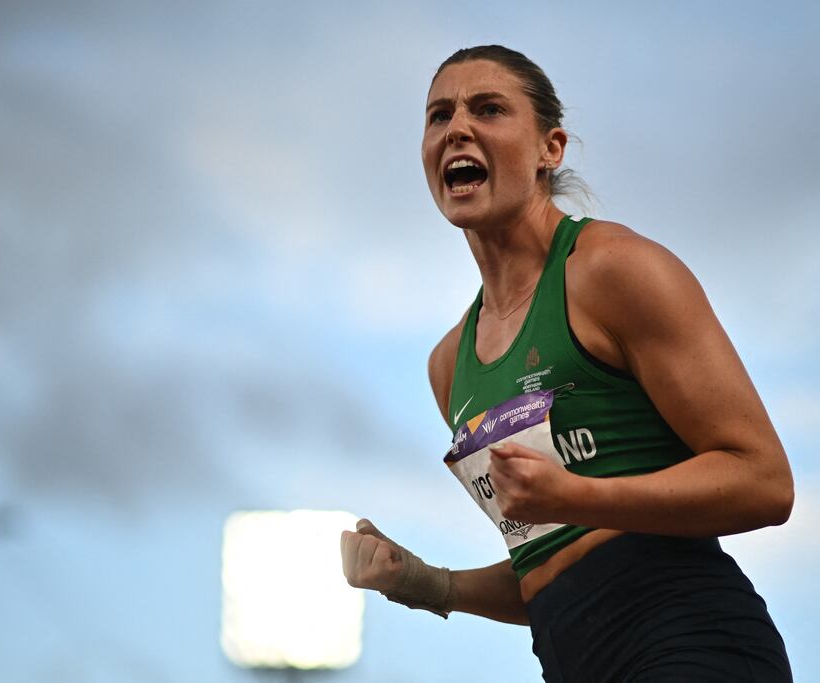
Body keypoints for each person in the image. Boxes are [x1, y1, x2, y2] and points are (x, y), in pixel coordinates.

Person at [339, 45, 795, 682]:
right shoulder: (448, 367)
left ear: (550, 149)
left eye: (488, 109)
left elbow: (765, 483)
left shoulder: (613, 271)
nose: (457, 129)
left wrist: (578, 494)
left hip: (692, 645)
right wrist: (427, 583)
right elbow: (552, 567)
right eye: (438, 116)